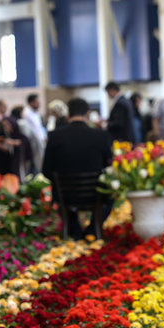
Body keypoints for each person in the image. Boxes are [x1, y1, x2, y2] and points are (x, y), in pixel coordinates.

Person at [42, 97, 113, 240]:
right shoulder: (100, 135)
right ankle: (93, 229)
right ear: (87, 114)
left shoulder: (55, 136)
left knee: (59, 192)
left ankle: (75, 230)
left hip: (65, 196)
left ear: (68, 114)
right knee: (110, 195)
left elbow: (46, 170)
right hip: (95, 194)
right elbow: (109, 166)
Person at [23, 93, 46, 173]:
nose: (39, 103)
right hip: (32, 143)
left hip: (39, 142)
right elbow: (30, 131)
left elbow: (39, 128)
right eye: (36, 102)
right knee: (33, 165)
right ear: (30, 102)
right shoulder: (26, 114)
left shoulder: (35, 113)